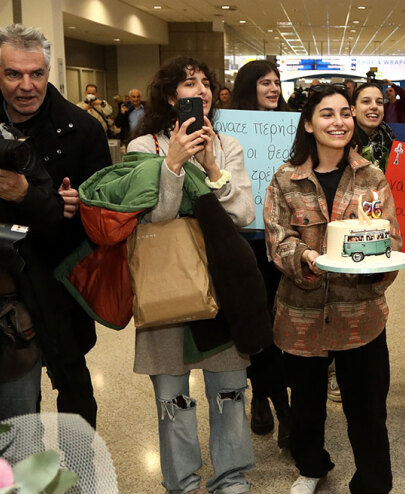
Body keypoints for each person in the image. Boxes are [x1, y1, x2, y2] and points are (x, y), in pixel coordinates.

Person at [127, 56, 256, 494]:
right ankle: (181, 482)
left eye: (205, 83)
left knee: (230, 392)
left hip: (221, 283)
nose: (199, 90)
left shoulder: (229, 146)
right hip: (166, 285)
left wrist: (213, 167)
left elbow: (242, 213)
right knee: (173, 399)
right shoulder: (143, 148)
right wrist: (175, 165)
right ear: (170, 96)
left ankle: (232, 478)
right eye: (187, 84)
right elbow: (154, 218)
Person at [264, 83, 399, 494]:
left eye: (344, 113)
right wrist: (303, 258)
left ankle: (373, 480)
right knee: (306, 403)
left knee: (367, 407)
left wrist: (378, 270)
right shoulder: (286, 179)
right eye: (327, 114)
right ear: (308, 123)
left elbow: (391, 239)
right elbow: (277, 239)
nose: (338, 122)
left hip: (361, 315)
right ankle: (312, 465)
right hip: (301, 314)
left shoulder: (372, 177)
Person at [0, 24, 111, 428]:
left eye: (37, 74)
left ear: (48, 72)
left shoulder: (83, 129)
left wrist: (80, 208)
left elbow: (102, 225)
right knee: (9, 399)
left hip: (61, 282)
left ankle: (82, 473)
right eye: (13, 74)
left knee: (73, 388)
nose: (27, 86)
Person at [0, 79, 65, 424]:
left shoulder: (5, 142)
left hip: (13, 320)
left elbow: (53, 212)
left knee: (18, 437)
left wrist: (22, 193)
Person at [228, 59, 293, 445]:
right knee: (255, 326)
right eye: (264, 82)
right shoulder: (228, 127)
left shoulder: (292, 126)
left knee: (281, 326)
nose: (272, 89)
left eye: (276, 82)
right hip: (245, 245)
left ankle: (279, 401)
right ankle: (269, 401)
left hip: (283, 246)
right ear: (248, 86)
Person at [352, 82, 395, 172]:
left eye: (379, 102)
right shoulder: (344, 143)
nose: (374, 106)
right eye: (366, 101)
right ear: (353, 110)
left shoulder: (388, 135)